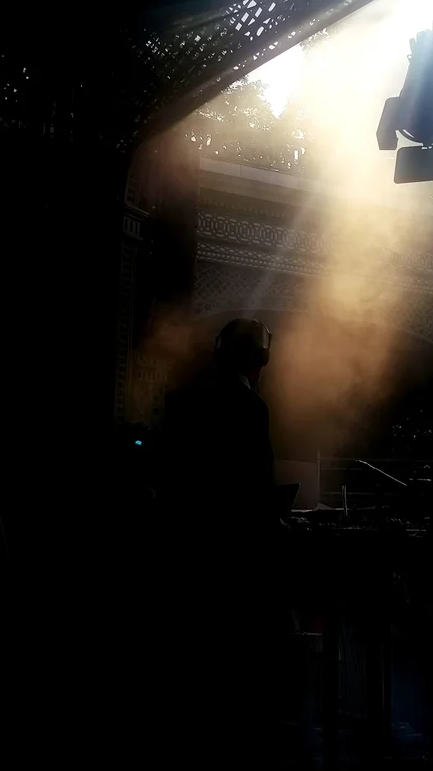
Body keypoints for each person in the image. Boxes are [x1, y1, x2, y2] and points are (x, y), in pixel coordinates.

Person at [160, 319, 283, 767]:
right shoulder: (251, 409)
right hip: (236, 559)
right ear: (258, 360)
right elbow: (259, 491)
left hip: (189, 553)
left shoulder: (185, 400)